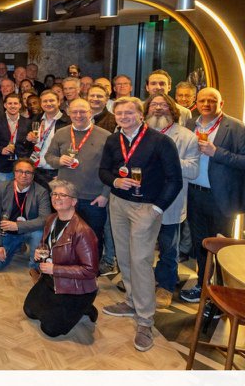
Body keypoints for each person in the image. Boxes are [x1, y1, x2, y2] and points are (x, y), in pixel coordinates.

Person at [99, 96, 182, 352]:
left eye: (129, 113)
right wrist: (115, 181)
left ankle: (145, 320)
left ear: (140, 114)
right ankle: (131, 301)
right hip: (118, 204)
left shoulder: (161, 141)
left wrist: (157, 209)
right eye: (120, 113)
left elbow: (175, 180)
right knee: (124, 257)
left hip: (146, 208)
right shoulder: (113, 140)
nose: (124, 117)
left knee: (140, 261)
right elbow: (104, 171)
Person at [180, 88, 245, 303]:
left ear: (221, 103)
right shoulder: (190, 125)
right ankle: (203, 285)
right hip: (194, 195)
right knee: (200, 244)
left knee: (222, 248)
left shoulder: (236, 127)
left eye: (212, 100)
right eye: (202, 100)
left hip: (221, 198)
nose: (206, 104)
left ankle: (221, 294)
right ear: (196, 103)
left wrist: (216, 152)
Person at [23, 180, 100, 337]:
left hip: (76, 287)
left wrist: (55, 269)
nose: (57, 198)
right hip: (52, 279)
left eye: (63, 195)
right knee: (29, 311)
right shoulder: (51, 219)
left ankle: (85, 307)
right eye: (54, 194)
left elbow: (90, 270)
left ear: (74, 201)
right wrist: (39, 251)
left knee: (50, 329)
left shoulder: (83, 231)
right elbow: (46, 243)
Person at [143, 93, 199, 308]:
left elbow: (193, 170)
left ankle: (165, 286)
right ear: (147, 110)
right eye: (154, 104)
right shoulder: (138, 133)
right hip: (141, 201)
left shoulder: (186, 136)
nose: (158, 108)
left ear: (173, 110)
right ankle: (142, 282)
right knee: (141, 246)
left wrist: (168, 160)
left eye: (164, 105)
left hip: (170, 202)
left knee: (168, 248)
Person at [44, 99, 111, 271]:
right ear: (68, 113)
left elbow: (112, 168)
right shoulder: (61, 133)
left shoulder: (105, 136)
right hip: (66, 197)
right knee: (65, 236)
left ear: (90, 113)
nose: (78, 115)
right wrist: (59, 160)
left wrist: (105, 194)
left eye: (83, 111)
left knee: (93, 238)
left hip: (94, 198)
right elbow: (49, 157)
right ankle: (67, 271)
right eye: (74, 112)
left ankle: (91, 273)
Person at [0, 159, 51, 272]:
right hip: (7, 232)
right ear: (14, 173)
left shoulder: (41, 192)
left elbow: (44, 219)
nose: (23, 175)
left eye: (28, 172)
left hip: (29, 231)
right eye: (20, 171)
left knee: (39, 232)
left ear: (33, 175)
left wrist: (17, 226)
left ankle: (34, 266)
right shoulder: (2, 187)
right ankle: (17, 245)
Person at [27, 89, 70, 188]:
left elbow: (71, 149)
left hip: (55, 171)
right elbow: (28, 146)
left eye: (51, 100)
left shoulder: (68, 122)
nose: (48, 103)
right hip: (36, 169)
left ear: (58, 102)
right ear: (41, 104)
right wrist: (29, 140)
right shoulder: (36, 119)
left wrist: (64, 172)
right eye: (45, 101)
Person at [0, 93, 33, 183]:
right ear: (5, 105)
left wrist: (31, 141)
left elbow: (30, 145)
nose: (13, 106)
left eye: (15, 103)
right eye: (10, 103)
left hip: (22, 164)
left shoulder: (28, 122)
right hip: (3, 164)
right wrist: (1, 149)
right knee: (4, 190)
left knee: (21, 189)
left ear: (20, 105)